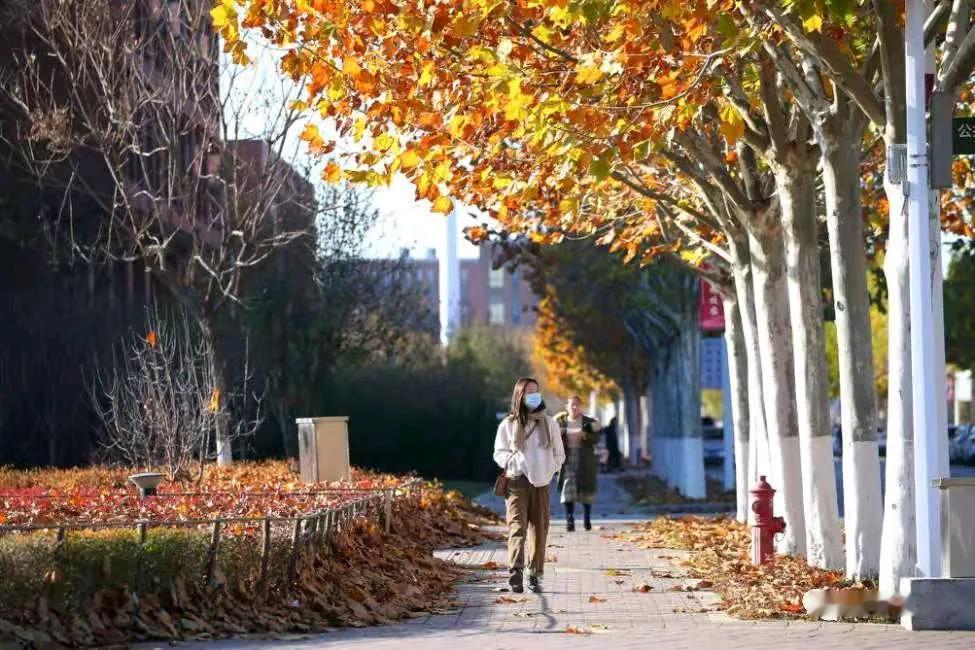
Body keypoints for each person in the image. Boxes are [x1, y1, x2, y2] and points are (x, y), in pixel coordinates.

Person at [493, 377, 565, 594]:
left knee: (539, 530)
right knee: (517, 528)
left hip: (541, 483)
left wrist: (551, 468)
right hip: (516, 482)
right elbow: (499, 453)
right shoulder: (509, 424)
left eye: (536, 391)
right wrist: (515, 462)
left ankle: (534, 574)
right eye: (528, 392)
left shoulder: (549, 423)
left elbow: (559, 454)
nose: (533, 395)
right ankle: (516, 571)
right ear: (519, 396)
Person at [556, 395, 600, 531]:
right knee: (568, 488)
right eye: (572, 404)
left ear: (581, 407)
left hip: (585, 458)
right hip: (567, 458)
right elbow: (551, 436)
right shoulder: (560, 421)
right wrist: (562, 432)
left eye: (577, 404)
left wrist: (585, 435)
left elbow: (596, 438)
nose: (574, 407)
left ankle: (587, 519)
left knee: (586, 489)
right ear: (566, 406)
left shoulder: (588, 422)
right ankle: (570, 520)